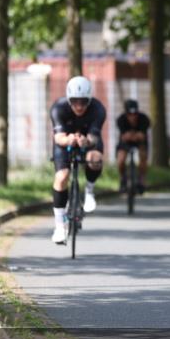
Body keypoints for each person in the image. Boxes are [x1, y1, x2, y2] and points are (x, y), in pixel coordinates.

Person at [49, 76, 106, 244]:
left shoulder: (98, 109)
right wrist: (69, 139)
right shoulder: (58, 108)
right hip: (65, 143)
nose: (79, 106)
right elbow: (58, 138)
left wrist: (86, 141)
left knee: (94, 158)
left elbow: (95, 137)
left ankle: (89, 191)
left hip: (88, 140)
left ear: (89, 100)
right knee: (62, 177)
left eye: (83, 102)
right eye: (75, 102)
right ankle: (60, 225)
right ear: (68, 99)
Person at [115, 99, 150, 193]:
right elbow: (124, 136)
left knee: (143, 156)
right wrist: (134, 135)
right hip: (125, 143)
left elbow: (142, 136)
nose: (132, 117)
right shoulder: (121, 119)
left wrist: (131, 135)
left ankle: (141, 179)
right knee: (120, 159)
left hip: (140, 143)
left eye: (135, 114)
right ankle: (123, 178)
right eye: (130, 114)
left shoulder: (144, 119)